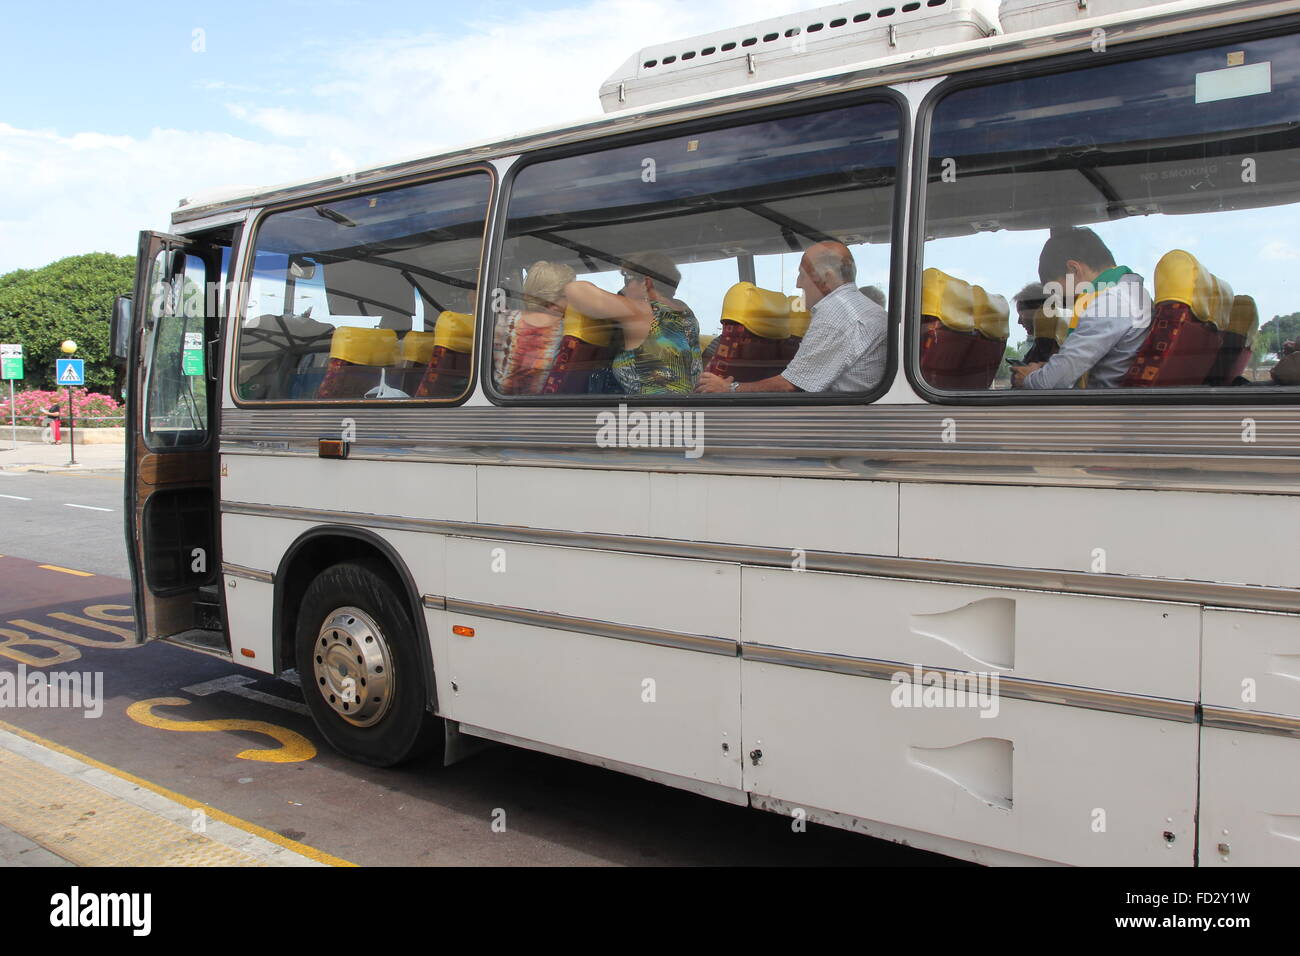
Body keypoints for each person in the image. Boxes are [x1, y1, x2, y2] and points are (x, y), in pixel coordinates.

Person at [697, 241, 886, 393]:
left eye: (802, 275)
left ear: (826, 278)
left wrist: (728, 388)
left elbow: (791, 385)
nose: (798, 284)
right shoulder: (865, 308)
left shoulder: (835, 315)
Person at [1013, 227, 1151, 389]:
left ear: (1073, 269)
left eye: (1054, 289)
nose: (1057, 299)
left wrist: (1028, 378)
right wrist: (1047, 369)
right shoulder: (1129, 290)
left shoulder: (1110, 302)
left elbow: (1054, 382)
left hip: (1101, 409)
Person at [563, 252, 700, 395]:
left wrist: (619, 299)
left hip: (650, 414)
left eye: (627, 279)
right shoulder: (687, 315)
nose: (624, 288)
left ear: (646, 283)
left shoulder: (643, 312)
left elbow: (575, 290)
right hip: (688, 411)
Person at [493, 260, 576, 395]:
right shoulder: (565, 328)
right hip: (541, 405)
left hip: (500, 402)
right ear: (556, 296)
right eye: (569, 296)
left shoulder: (503, 320)